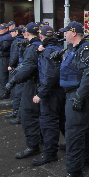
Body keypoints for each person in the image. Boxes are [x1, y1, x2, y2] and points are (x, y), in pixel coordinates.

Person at [56, 21, 89, 177]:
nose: (63, 35)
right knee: (83, 126)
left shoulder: (85, 49)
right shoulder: (73, 49)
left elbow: (88, 76)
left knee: (73, 131)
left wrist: (79, 96)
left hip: (77, 93)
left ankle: (74, 170)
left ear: (73, 33)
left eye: (65, 32)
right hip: (72, 93)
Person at [6, 23, 42, 159]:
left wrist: (13, 82)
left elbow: (27, 67)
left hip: (33, 84)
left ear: (26, 33)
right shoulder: (34, 46)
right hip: (37, 83)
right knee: (39, 115)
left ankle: (33, 145)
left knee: (28, 115)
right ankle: (40, 140)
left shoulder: (32, 47)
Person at [31, 25, 66, 166]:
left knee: (48, 122)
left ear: (41, 37)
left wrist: (41, 93)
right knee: (63, 120)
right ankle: (69, 144)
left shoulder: (47, 52)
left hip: (51, 92)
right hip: (61, 89)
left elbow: (49, 75)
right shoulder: (58, 48)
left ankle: (50, 153)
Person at [6, 27, 25, 123]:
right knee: (18, 92)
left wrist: (11, 65)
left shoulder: (19, 41)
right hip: (21, 67)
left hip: (22, 69)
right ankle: (16, 112)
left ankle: (18, 114)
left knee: (19, 93)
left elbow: (16, 55)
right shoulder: (22, 42)